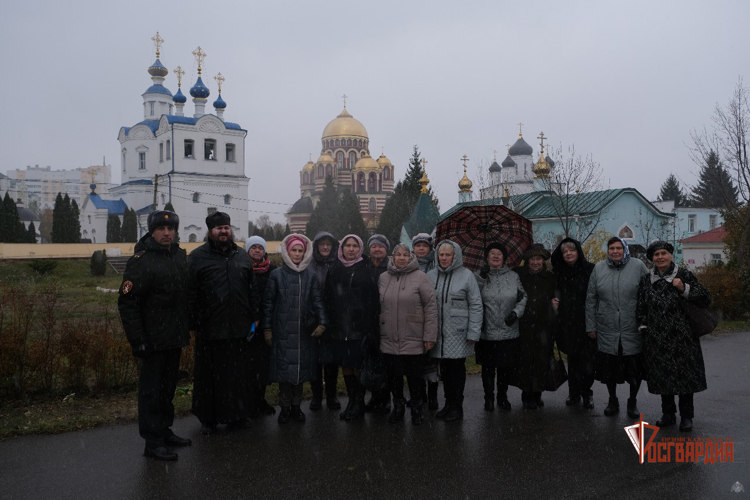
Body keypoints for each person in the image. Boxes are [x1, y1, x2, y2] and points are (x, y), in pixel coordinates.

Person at [118, 210, 191, 461]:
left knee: (167, 389)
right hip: (151, 341)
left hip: (174, 338)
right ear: (152, 231)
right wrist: (137, 340)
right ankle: (152, 442)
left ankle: (164, 430)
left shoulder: (179, 257)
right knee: (151, 392)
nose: (167, 233)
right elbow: (128, 304)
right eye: (161, 229)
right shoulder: (141, 261)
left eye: (171, 229)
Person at [188, 212, 260, 434]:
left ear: (231, 230)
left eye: (226, 227)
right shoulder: (197, 257)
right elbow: (189, 292)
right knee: (209, 378)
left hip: (238, 328)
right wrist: (194, 322)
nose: (223, 231)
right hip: (210, 329)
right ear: (210, 231)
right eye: (218, 228)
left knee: (236, 376)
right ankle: (208, 419)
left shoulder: (240, 255)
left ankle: (236, 416)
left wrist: (255, 317)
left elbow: (252, 288)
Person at [637, 241, 710, 432]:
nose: (660, 257)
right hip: (657, 338)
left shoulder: (683, 275)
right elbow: (641, 306)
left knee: (685, 377)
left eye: (664, 253)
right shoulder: (647, 280)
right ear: (652, 259)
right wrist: (644, 328)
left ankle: (686, 416)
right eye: (656, 255)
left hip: (683, 337)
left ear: (671, 255)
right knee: (663, 377)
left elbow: (705, 297)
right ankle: (668, 414)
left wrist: (684, 287)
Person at [263, 234, 328, 424]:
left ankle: (297, 407)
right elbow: (268, 304)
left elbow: (318, 301)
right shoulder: (276, 275)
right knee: (284, 373)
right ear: (287, 251)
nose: (297, 254)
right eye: (294, 250)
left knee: (299, 373)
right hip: (282, 332)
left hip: (303, 333)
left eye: (301, 250)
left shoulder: (310, 276)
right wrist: (267, 328)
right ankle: (284, 408)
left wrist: (322, 323)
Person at [585, 236, 648, 418]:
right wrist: (591, 326)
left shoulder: (638, 266)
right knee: (610, 371)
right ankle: (612, 400)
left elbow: (648, 293)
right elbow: (590, 300)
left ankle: (632, 402)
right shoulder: (599, 268)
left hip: (632, 328)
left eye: (619, 248)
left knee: (634, 370)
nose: (615, 251)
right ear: (608, 250)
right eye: (611, 248)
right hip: (607, 329)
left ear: (625, 248)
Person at [322, 234, 380, 421]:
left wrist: (369, 327)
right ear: (342, 248)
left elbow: (373, 300)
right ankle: (352, 401)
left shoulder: (366, 269)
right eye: (348, 245)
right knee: (346, 366)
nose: (351, 249)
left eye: (355, 246)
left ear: (360, 248)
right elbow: (328, 298)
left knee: (357, 366)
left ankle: (359, 402)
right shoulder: (335, 269)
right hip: (339, 327)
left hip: (359, 327)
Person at [378, 244, 438, 425]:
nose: (402, 258)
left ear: (411, 258)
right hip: (388, 337)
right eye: (398, 255)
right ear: (393, 257)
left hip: (413, 336)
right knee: (394, 377)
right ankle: (398, 407)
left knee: (414, 377)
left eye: (406, 255)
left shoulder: (420, 277)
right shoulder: (383, 277)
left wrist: (429, 336)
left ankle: (417, 409)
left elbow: (430, 307)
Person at [427, 240, 483, 422]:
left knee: (456, 371)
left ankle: (457, 406)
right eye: (441, 254)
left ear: (455, 256)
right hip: (438, 333)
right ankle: (448, 404)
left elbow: (476, 305)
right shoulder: (430, 276)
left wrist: (474, 332)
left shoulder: (467, 276)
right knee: (444, 370)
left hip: (459, 333)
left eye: (448, 254)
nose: (444, 258)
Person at [474, 243, 527, 411]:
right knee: (488, 368)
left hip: (508, 330)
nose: (496, 256)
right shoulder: (479, 275)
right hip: (487, 331)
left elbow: (523, 296)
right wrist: (481, 278)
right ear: (487, 257)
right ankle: (488, 398)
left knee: (504, 368)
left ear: (504, 258)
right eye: (492, 253)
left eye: (499, 253)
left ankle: (502, 397)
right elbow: (473, 296)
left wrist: (516, 312)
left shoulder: (513, 276)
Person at [551, 238, 596, 409]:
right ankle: (574, 393)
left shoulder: (590, 270)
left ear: (578, 251)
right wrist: (552, 301)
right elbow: (552, 291)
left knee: (587, 362)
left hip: (587, 322)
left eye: (572, 250)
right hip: (566, 323)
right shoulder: (558, 272)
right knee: (573, 360)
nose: (568, 253)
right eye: (565, 251)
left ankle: (587, 393)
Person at [515, 244, 557, 409]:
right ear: (527, 260)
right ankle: (526, 395)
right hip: (524, 325)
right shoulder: (519, 275)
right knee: (525, 360)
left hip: (544, 325)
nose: (535, 262)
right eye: (532, 258)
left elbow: (556, 296)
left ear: (543, 260)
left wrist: (554, 303)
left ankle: (537, 392)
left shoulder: (551, 277)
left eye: (538, 259)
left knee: (541, 360)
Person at [307, 232, 341, 411]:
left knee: (331, 361)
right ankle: (316, 395)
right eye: (322, 244)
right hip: (313, 318)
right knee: (315, 360)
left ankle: (332, 395)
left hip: (334, 319)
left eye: (329, 244)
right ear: (317, 246)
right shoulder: (309, 264)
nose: (326, 247)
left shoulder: (338, 264)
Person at [245, 236, 277, 417]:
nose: (257, 250)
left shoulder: (272, 270)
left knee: (263, 366)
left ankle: (260, 400)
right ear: (248, 250)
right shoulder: (242, 268)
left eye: (260, 247)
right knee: (248, 367)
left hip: (266, 325)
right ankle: (248, 402)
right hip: (247, 325)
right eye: (253, 247)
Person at [364, 234, 391, 414]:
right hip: (367, 319)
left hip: (386, 318)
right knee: (371, 360)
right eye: (374, 246)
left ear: (386, 249)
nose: (377, 249)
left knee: (386, 361)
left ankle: (385, 398)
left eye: (380, 246)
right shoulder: (365, 266)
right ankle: (374, 396)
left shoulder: (391, 266)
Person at [412, 232, 439, 409]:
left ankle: (433, 396)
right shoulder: (409, 265)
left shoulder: (435, 266)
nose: (421, 248)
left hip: (431, 316)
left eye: (425, 245)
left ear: (430, 248)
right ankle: (419, 395)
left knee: (432, 359)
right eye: (418, 245)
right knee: (416, 360)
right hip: (413, 319)